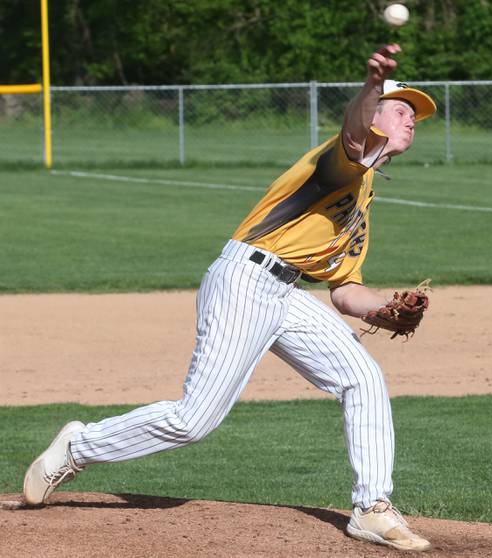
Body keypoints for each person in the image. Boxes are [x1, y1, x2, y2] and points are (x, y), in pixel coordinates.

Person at [22, 43, 436, 552]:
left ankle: (372, 508)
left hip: (286, 294)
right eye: (401, 108)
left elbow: (346, 292)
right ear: (375, 115)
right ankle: (78, 445)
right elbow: (353, 134)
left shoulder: (362, 197)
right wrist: (372, 88)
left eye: (414, 114)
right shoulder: (342, 161)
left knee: (362, 377)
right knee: (195, 420)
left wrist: (387, 313)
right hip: (246, 280)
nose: (411, 119)